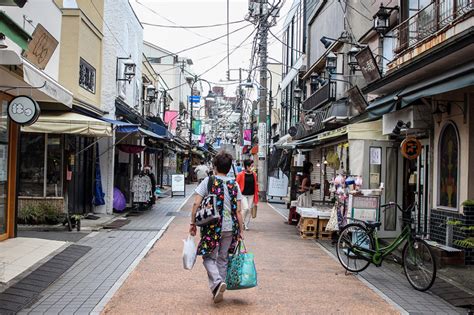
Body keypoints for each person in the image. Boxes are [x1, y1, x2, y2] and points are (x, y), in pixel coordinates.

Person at [190, 151, 244, 303]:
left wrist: (192, 223)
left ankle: (217, 282)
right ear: (229, 168)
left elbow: (196, 203)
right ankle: (218, 289)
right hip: (230, 227)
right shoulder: (234, 184)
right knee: (223, 258)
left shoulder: (208, 181)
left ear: (214, 166)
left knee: (208, 256)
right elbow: (239, 211)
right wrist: (240, 230)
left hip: (212, 227)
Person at [236, 159, 259, 230]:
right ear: (246, 166)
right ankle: (241, 222)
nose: (252, 167)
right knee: (245, 208)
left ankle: (245, 225)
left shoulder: (254, 175)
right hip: (243, 194)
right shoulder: (240, 174)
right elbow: (236, 184)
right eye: (251, 166)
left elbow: (256, 184)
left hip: (251, 194)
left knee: (249, 210)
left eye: (252, 166)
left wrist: (257, 193)